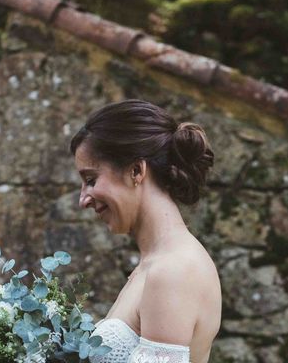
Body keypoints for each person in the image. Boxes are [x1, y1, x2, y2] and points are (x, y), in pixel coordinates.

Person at [70, 99, 222, 363]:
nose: (83, 199)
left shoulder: (174, 270)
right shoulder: (155, 265)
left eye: (91, 180)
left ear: (136, 171)